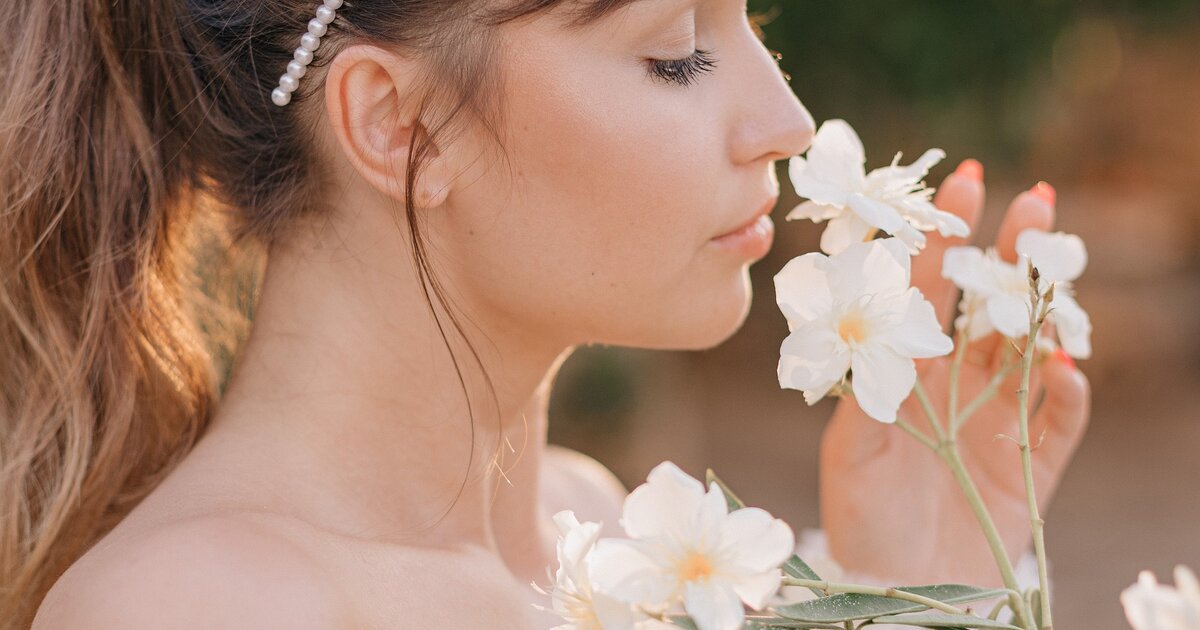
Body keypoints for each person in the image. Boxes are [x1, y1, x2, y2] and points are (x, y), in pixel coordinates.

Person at [0, 0, 1090, 627]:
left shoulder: (612, 534)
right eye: (677, 54)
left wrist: (912, 585)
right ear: (399, 126)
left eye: (751, 21)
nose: (788, 119)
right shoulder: (201, 609)